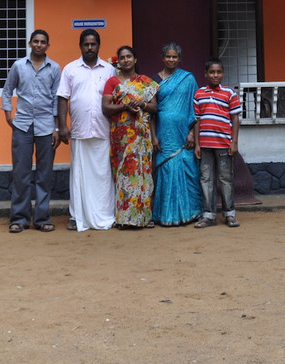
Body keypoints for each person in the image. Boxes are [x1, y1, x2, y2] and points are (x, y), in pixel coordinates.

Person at [1, 30, 61, 233]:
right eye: (36, 41)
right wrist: (8, 114)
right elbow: (7, 90)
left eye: (43, 42)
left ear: (48, 45)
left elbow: (56, 99)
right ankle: (19, 218)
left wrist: (56, 128)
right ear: (30, 43)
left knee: (45, 175)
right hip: (22, 125)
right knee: (21, 174)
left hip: (46, 127)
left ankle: (42, 219)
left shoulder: (54, 68)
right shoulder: (19, 66)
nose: (39, 45)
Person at [57, 29, 116, 231]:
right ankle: (77, 216)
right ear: (80, 46)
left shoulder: (109, 70)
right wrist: (63, 126)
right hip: (80, 131)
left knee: (103, 176)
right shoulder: (70, 69)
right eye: (86, 44)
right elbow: (63, 97)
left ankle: (105, 214)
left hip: (103, 130)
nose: (89, 48)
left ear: (99, 46)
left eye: (93, 44)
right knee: (79, 175)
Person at [101, 45, 159, 228]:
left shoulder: (146, 82)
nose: (126, 60)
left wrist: (142, 104)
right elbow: (106, 107)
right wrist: (125, 106)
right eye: (122, 57)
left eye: (129, 56)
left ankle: (144, 218)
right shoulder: (112, 82)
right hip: (121, 137)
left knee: (143, 174)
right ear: (118, 61)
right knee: (124, 175)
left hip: (142, 135)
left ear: (135, 60)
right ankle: (125, 219)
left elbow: (154, 108)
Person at [151, 43, 201, 226]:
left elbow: (195, 108)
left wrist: (192, 133)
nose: (171, 59)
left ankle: (191, 212)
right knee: (165, 171)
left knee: (188, 170)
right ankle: (165, 215)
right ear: (162, 58)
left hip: (184, 133)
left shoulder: (188, 79)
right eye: (168, 56)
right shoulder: (154, 81)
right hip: (164, 134)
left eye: (174, 57)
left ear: (179, 59)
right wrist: (154, 137)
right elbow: (151, 113)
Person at [193, 58, 242, 229]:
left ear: (223, 73)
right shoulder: (199, 94)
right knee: (206, 178)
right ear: (205, 74)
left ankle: (229, 214)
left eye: (219, 72)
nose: (215, 75)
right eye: (212, 72)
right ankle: (209, 215)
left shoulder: (230, 93)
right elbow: (197, 120)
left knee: (226, 178)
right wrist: (197, 144)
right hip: (205, 145)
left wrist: (234, 142)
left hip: (224, 144)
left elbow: (235, 119)